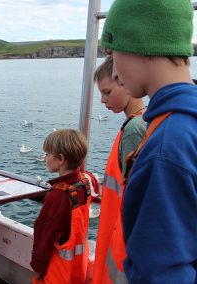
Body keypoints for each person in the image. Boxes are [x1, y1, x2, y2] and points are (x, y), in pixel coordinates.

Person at [101, 0, 197, 282]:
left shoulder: (167, 148)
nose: (115, 72)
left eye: (113, 52)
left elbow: (165, 274)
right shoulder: (184, 125)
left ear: (138, 44)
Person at [92, 56, 146, 284]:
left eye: (107, 91)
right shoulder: (139, 122)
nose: (103, 100)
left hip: (122, 242)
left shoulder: (134, 129)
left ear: (124, 81)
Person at [30, 129, 99, 284]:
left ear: (61, 159)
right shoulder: (86, 181)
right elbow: (90, 181)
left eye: (47, 154)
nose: (45, 157)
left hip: (58, 272)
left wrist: (37, 267)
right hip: (78, 266)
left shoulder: (57, 195)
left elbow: (45, 234)